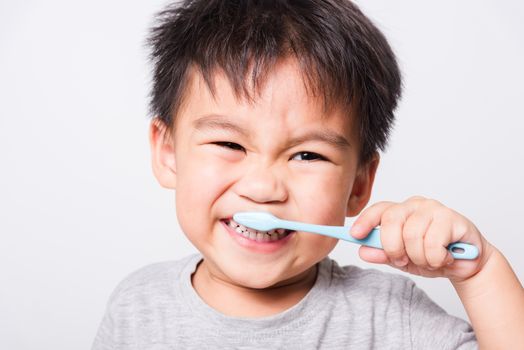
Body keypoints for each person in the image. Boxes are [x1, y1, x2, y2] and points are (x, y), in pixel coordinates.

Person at [92, 0, 524, 348]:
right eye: (229, 145)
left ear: (358, 185)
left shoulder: (393, 317)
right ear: (168, 153)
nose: (263, 189)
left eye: (306, 156)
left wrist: (481, 273)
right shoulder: (137, 306)